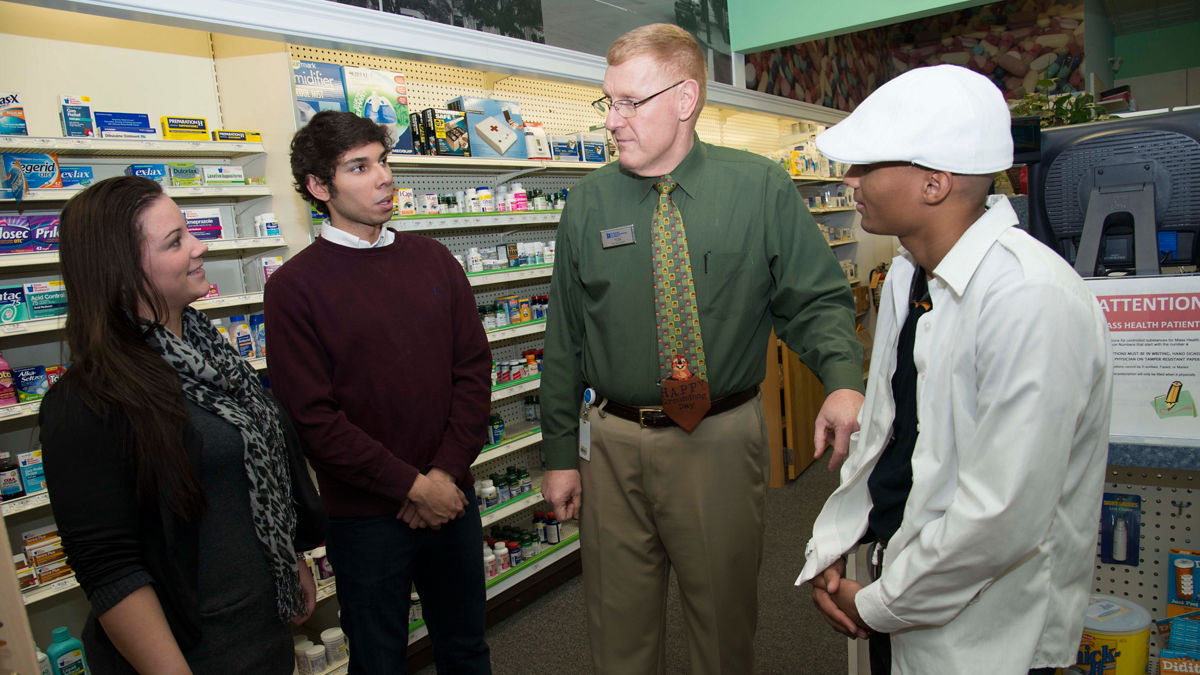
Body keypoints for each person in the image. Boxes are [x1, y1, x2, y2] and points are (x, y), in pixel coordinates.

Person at [540, 23, 865, 673]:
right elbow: (564, 338)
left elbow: (815, 300)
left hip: (718, 438)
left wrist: (842, 379)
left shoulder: (759, 188)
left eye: (631, 101)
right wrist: (557, 455)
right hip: (611, 442)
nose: (614, 121)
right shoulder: (588, 202)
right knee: (617, 629)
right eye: (609, 102)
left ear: (686, 98)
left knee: (722, 626)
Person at [796, 64, 1113, 675]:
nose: (850, 180)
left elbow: (1002, 515)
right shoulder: (908, 278)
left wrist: (880, 605)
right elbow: (890, 440)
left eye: (867, 165)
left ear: (936, 183)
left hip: (988, 637)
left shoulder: (1032, 299)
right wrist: (835, 546)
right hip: (898, 585)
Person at [40, 175, 326, 673]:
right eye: (176, 241)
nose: (200, 245)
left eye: (190, 231)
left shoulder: (213, 356)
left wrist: (289, 562)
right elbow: (109, 567)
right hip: (193, 650)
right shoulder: (88, 401)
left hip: (261, 629)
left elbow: (243, 485)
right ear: (123, 273)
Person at [267, 110, 492, 674]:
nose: (383, 177)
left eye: (383, 161)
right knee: (378, 662)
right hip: (367, 520)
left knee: (466, 647)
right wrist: (412, 486)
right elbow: (315, 420)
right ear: (319, 187)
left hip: (451, 500)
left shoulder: (433, 259)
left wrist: (441, 476)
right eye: (359, 167)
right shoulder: (295, 288)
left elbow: (473, 370)